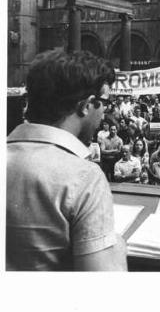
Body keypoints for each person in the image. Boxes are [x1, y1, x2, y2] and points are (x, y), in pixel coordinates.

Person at [6, 49, 127, 270]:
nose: (105, 113)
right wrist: (117, 247)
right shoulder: (84, 177)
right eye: (105, 102)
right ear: (86, 105)